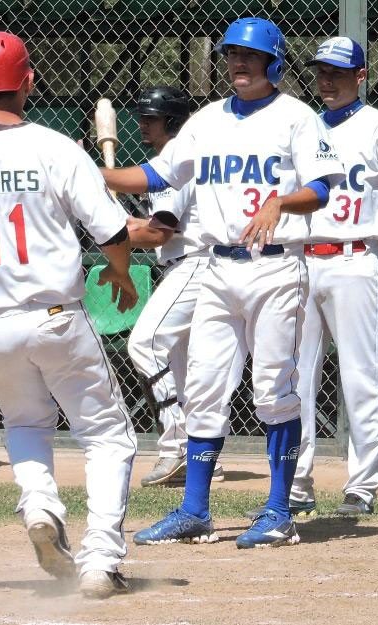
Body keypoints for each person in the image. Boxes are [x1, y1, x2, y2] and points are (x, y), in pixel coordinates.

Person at [100, 17, 344, 549]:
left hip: (276, 267)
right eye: (232, 55)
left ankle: (279, 509)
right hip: (215, 267)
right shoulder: (206, 120)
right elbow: (159, 175)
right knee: (204, 387)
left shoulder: (296, 117)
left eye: (250, 57)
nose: (239, 63)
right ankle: (194, 509)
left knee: (274, 388)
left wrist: (281, 201)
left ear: (272, 62)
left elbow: (323, 188)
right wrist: (92, 174)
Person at [0, 31, 137, 598]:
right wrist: (118, 271)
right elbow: (112, 230)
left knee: (25, 424)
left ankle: (40, 506)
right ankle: (101, 558)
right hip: (55, 312)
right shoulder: (57, 146)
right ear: (28, 82)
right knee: (107, 434)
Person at [287, 37, 378, 517]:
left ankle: (361, 485)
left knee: (360, 376)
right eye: (321, 71)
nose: (327, 80)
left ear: (360, 76)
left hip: (354, 257)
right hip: (303, 259)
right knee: (294, 379)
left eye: (338, 72)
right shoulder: (302, 126)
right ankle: (295, 483)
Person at [123, 86, 224, 487]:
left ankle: (175, 443)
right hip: (186, 266)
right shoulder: (166, 162)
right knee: (187, 372)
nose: (144, 124)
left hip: (196, 264)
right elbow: (145, 229)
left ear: (175, 121)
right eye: (143, 117)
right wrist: (114, 222)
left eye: (153, 117)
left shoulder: (185, 160)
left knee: (144, 344)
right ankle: (199, 458)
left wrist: (111, 228)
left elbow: (156, 235)